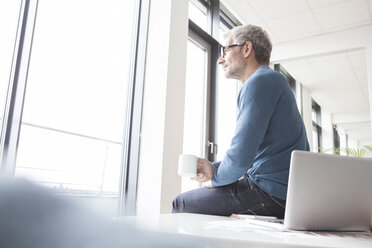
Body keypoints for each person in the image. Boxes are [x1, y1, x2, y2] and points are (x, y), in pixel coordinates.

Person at [172, 24, 309, 218]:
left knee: (180, 203)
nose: (220, 60)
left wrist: (214, 178)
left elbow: (241, 155)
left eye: (225, 50)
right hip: (286, 192)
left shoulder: (259, 82)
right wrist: (214, 168)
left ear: (246, 49)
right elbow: (252, 155)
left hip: (271, 193)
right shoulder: (273, 80)